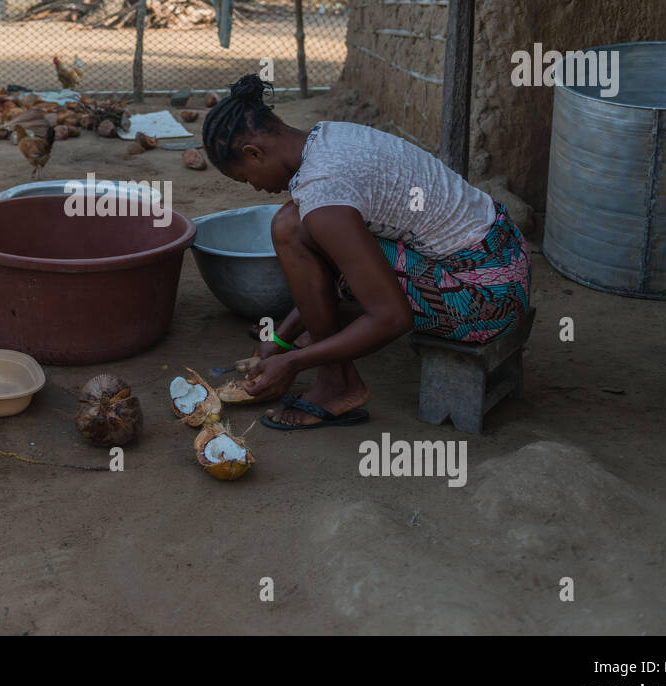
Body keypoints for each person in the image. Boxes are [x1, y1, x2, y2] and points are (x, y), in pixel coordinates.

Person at [202, 75, 532, 431]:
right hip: (506, 258)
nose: (255, 187)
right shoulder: (328, 137)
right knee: (294, 223)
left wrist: (294, 362)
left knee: (295, 227)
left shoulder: (323, 193)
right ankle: (333, 368)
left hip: (485, 300)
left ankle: (337, 385)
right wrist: (280, 339)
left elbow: (392, 319)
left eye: (245, 178)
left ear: (254, 153)